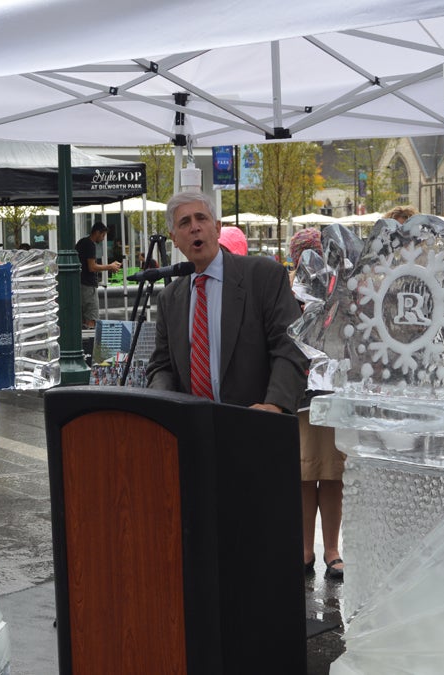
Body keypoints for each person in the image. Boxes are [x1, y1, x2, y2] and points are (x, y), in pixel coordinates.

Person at [147, 191, 306, 414]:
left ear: (217, 227)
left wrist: (275, 404)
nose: (195, 227)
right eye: (185, 222)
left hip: (255, 427)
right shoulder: (169, 299)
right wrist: (161, 404)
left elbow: (290, 345)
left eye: (201, 218)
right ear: (173, 238)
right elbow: (162, 367)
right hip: (193, 432)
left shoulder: (263, 276)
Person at [288, 227, 346, 580]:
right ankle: (306, 548)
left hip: (333, 393)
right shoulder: (288, 292)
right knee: (304, 475)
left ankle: (332, 549)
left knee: (333, 475)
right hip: (300, 397)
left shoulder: (339, 289)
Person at [75, 222, 122, 329]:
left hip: (79, 284)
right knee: (92, 316)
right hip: (87, 285)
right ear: (97, 232)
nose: (103, 239)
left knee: (82, 317)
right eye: (103, 235)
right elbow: (92, 267)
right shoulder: (90, 244)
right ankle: (91, 341)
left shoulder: (82, 242)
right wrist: (110, 266)